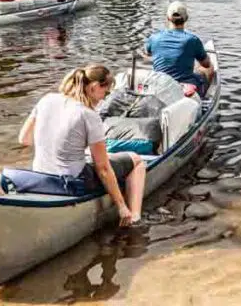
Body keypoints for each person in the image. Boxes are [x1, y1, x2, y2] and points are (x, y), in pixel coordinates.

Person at [17, 64, 146, 227]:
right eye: (104, 93)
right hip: (73, 181)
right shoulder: (89, 115)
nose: (103, 99)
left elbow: (25, 139)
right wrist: (121, 206)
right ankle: (134, 217)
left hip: (40, 174)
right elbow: (103, 169)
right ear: (94, 87)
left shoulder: (47, 99)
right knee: (137, 160)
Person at [143, 1, 214, 98]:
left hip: (160, 84)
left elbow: (147, 55)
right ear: (186, 19)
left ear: (168, 18)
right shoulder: (192, 39)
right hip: (184, 85)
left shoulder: (154, 38)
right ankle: (202, 98)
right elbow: (206, 64)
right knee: (209, 68)